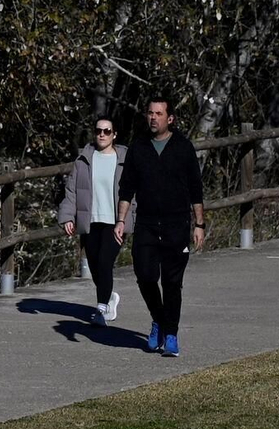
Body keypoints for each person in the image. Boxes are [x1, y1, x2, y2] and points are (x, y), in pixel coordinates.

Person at [116, 99, 205, 358]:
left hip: (176, 224)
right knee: (145, 275)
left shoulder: (183, 147)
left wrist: (199, 224)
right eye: (150, 113)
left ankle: (172, 334)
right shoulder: (138, 147)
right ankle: (159, 319)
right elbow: (126, 188)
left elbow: (195, 189)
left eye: (159, 113)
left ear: (170, 118)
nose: (153, 118)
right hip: (146, 223)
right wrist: (121, 220)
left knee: (172, 282)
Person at [57, 117, 136, 326]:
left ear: (114, 134)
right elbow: (72, 190)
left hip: (116, 221)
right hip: (90, 220)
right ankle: (109, 297)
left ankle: (101, 309)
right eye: (99, 130)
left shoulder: (125, 159)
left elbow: (135, 191)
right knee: (94, 264)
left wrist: (131, 216)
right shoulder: (84, 159)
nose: (102, 134)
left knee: (104, 261)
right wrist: (66, 217)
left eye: (107, 131)